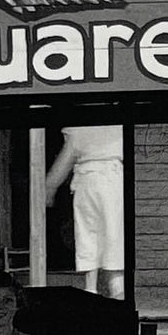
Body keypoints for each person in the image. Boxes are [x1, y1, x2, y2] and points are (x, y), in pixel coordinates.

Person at [45, 125, 125, 298]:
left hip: (90, 179)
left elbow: (65, 160)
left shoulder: (81, 129)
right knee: (113, 231)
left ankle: (95, 286)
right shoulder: (115, 127)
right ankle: (115, 284)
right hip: (112, 179)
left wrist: (49, 188)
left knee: (90, 233)